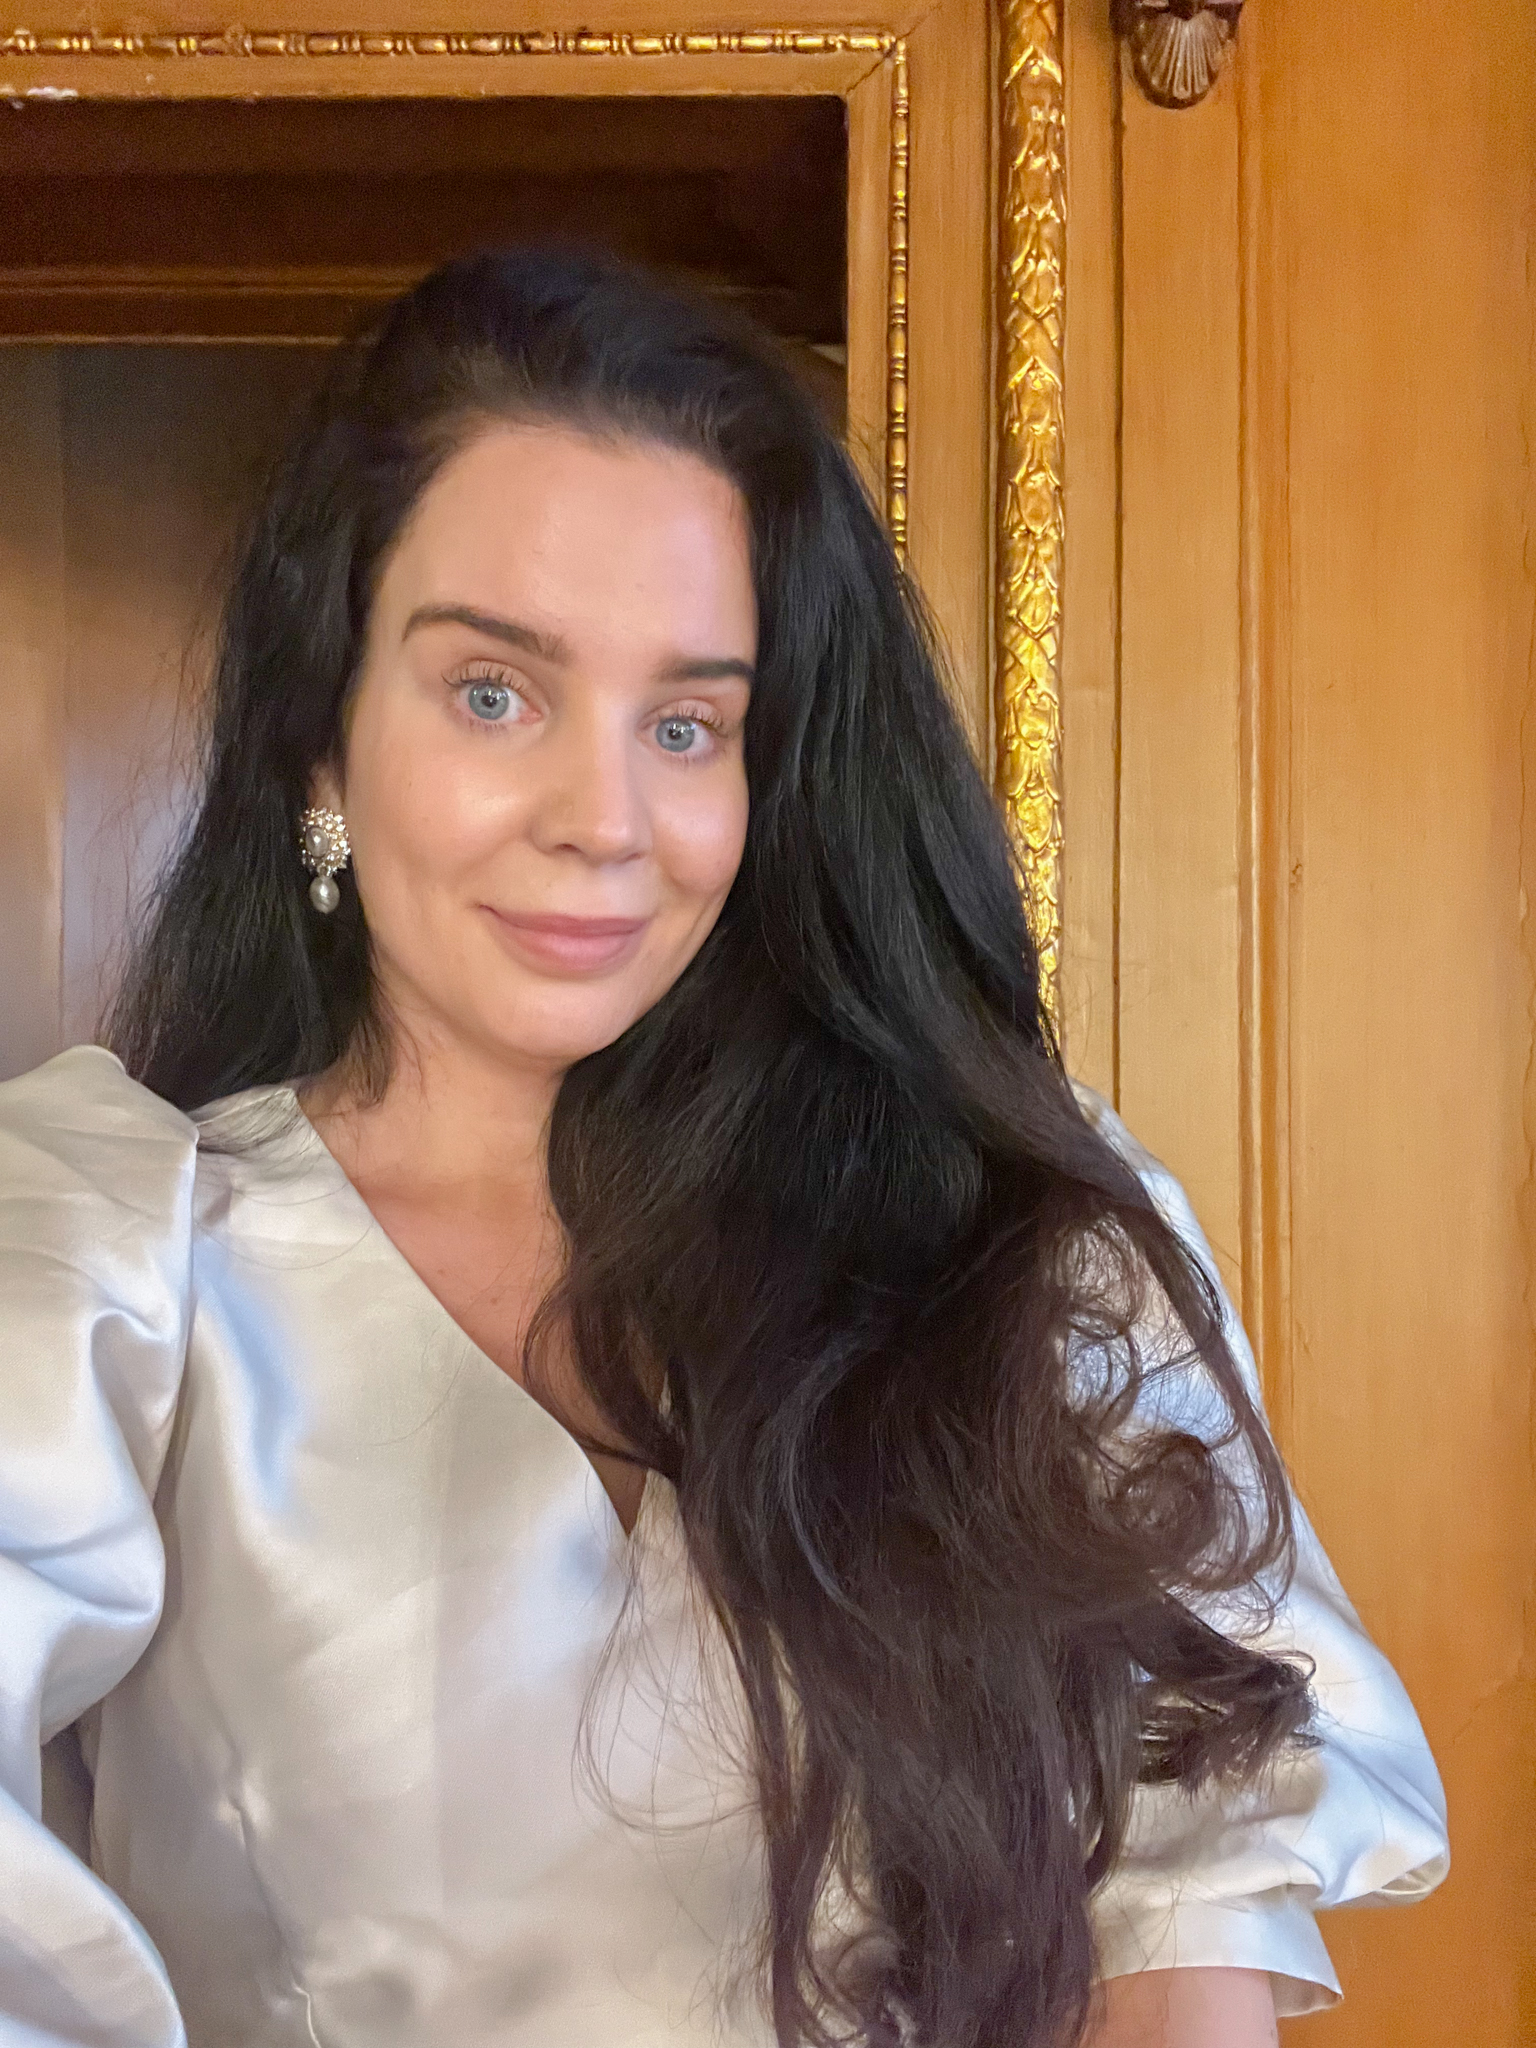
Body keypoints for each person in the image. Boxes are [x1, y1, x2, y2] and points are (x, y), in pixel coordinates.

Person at [0, 247, 1446, 2048]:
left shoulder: (1009, 1233)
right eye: (494, 693)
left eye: (687, 725)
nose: (606, 820)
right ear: (320, 741)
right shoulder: (107, 1263)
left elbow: (1179, 1926)